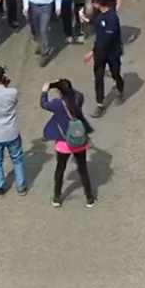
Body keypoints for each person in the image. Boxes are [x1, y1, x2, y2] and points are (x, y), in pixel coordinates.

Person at [40, 79, 96, 207]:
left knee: (60, 169)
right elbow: (77, 93)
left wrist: (45, 91)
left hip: (64, 143)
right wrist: (64, 86)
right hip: (79, 141)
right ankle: (89, 198)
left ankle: (57, 197)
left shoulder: (57, 104)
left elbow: (43, 104)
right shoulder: (78, 98)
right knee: (83, 169)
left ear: (59, 91)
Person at [0, 65, 27, 195]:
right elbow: (14, 102)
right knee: (17, 159)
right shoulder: (12, 92)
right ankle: (21, 186)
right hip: (12, 131)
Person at [84, 0, 124, 116]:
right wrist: (85, 19)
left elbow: (106, 39)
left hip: (112, 53)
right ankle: (100, 104)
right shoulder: (99, 15)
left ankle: (120, 87)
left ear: (98, 3)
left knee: (115, 73)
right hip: (100, 54)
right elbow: (96, 23)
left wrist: (92, 52)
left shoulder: (112, 17)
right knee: (98, 78)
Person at [23, 0, 61, 66]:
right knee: (36, 29)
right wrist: (25, 6)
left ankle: (45, 53)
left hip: (46, 5)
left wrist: (58, 6)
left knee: (43, 29)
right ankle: (41, 44)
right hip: (33, 5)